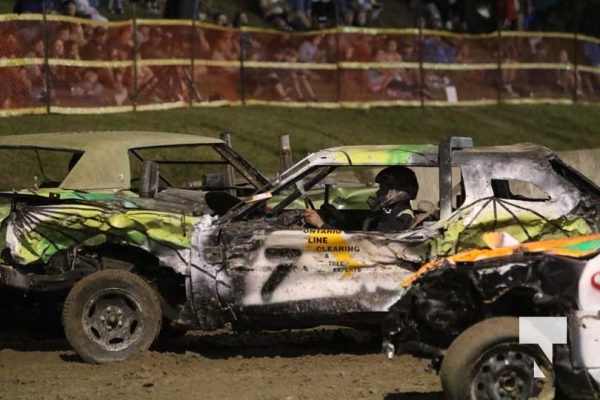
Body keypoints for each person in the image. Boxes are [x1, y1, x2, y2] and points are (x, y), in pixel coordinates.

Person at [304, 166, 418, 232]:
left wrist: (320, 225)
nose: (378, 192)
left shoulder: (399, 218)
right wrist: (338, 216)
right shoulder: (388, 212)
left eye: (383, 189)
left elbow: (359, 245)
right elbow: (362, 224)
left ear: (398, 193)